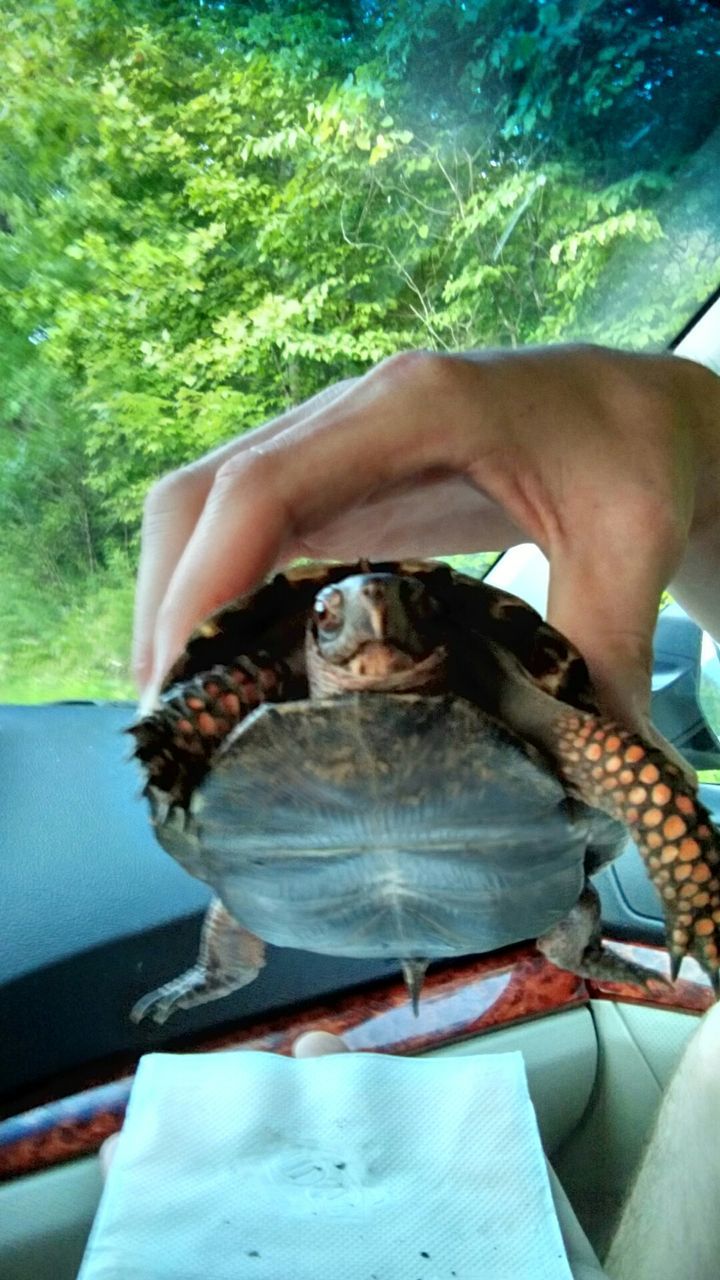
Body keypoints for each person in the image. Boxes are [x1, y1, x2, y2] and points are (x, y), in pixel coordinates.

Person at [128, 342, 720, 1280]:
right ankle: (219, 971)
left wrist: (695, 889)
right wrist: (703, 456)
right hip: (287, 876)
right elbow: (187, 726)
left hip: (495, 878)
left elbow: (611, 755)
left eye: (401, 606)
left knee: (581, 879)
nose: (369, 621)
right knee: (239, 914)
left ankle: (588, 949)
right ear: (310, 636)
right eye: (334, 618)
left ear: (432, 626)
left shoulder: (515, 693)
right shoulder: (262, 673)